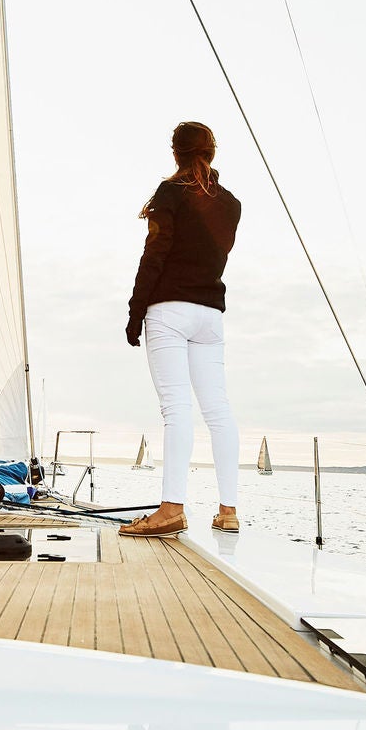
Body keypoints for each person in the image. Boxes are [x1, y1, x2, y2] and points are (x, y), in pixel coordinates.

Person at [121, 122, 243, 538]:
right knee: (219, 410)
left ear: (175, 153)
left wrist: (136, 312)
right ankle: (228, 511)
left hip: (170, 310)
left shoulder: (169, 195)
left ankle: (172, 509)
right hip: (210, 315)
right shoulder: (232, 205)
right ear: (212, 152)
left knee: (177, 409)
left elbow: (154, 256)